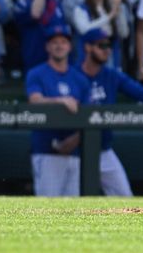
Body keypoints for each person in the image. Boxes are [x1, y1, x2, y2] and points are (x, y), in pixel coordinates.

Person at [79, 28, 143, 196]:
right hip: (74, 150)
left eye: (109, 46)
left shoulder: (111, 75)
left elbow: (140, 92)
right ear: (87, 47)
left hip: (103, 148)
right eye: (101, 45)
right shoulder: (75, 74)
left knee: (124, 197)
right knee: (64, 199)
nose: (107, 50)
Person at [25, 24, 90, 196]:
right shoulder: (37, 73)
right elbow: (34, 100)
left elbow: (89, 116)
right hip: (46, 150)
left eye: (63, 42)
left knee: (72, 213)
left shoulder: (79, 78)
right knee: (48, 210)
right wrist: (60, 100)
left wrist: (72, 142)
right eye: (54, 42)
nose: (59, 46)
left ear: (69, 46)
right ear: (47, 47)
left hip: (74, 152)